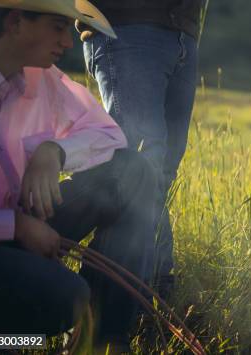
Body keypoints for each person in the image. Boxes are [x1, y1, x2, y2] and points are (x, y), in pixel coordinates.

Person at [0, 1, 157, 352]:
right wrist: (13, 226)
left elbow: (110, 137)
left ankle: (106, 340)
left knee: (132, 172)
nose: (69, 41)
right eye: (59, 27)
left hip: (20, 227)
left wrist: (53, 152)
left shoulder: (43, 79)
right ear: (16, 22)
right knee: (66, 297)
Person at [77, 0, 204, 297]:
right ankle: (135, 288)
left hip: (182, 30)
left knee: (162, 171)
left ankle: (133, 287)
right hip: (127, 26)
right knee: (141, 166)